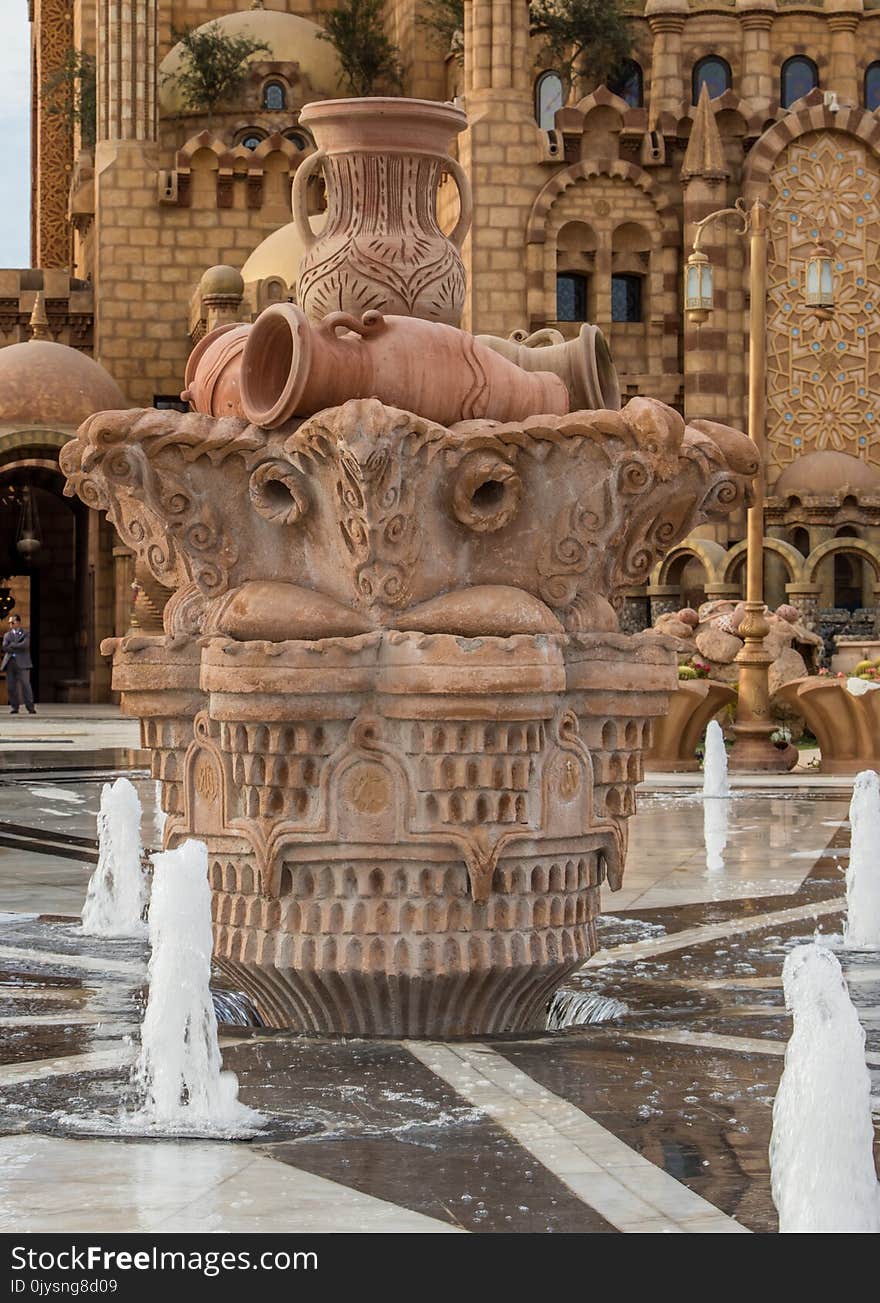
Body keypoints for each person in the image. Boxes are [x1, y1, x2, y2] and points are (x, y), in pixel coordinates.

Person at [2, 613, 36, 715]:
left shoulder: (26, 633)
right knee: (11, 686)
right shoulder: (7, 635)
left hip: (23, 663)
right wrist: (16, 646)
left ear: (18, 622)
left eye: (13, 622)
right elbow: (5, 647)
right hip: (10, 662)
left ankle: (30, 707)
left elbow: (25, 645)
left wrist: (12, 645)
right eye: (9, 623)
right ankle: (14, 707)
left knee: (26, 685)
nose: (11, 625)